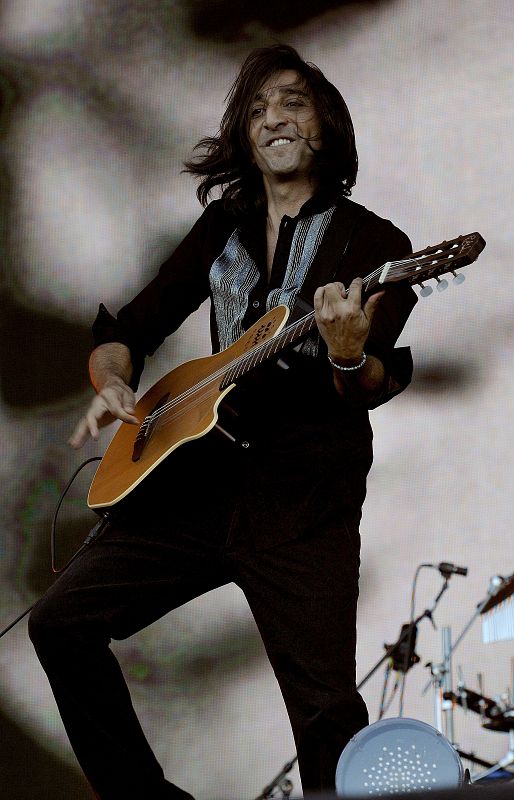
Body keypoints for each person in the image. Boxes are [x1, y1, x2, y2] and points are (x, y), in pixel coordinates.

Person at [29, 44, 417, 799]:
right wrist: (112, 380)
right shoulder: (223, 229)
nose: (275, 117)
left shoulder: (380, 248)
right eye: (258, 108)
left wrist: (345, 355)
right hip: (197, 485)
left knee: (327, 716)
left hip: (304, 504)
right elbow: (131, 328)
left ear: (324, 126)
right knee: (59, 625)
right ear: (244, 135)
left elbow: (369, 381)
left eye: (294, 102)